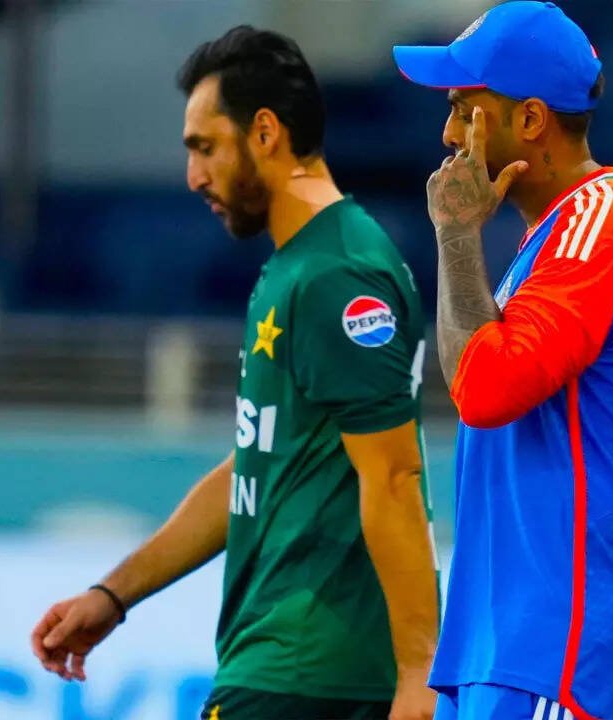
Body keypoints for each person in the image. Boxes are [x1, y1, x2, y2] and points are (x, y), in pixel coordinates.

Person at [31, 25, 440, 720]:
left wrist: (419, 672)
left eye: (205, 147)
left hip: (309, 672)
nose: (194, 177)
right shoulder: (299, 266)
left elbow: (394, 477)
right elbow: (259, 467)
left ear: (266, 133)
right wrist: (115, 594)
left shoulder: (338, 276)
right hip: (290, 666)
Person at [393, 2, 613, 719]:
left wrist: (456, 235)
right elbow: (476, 380)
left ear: (529, 120)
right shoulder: (554, 238)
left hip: (565, 630)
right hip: (512, 633)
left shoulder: (607, 219)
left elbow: (485, 390)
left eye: (465, 111)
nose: (448, 135)